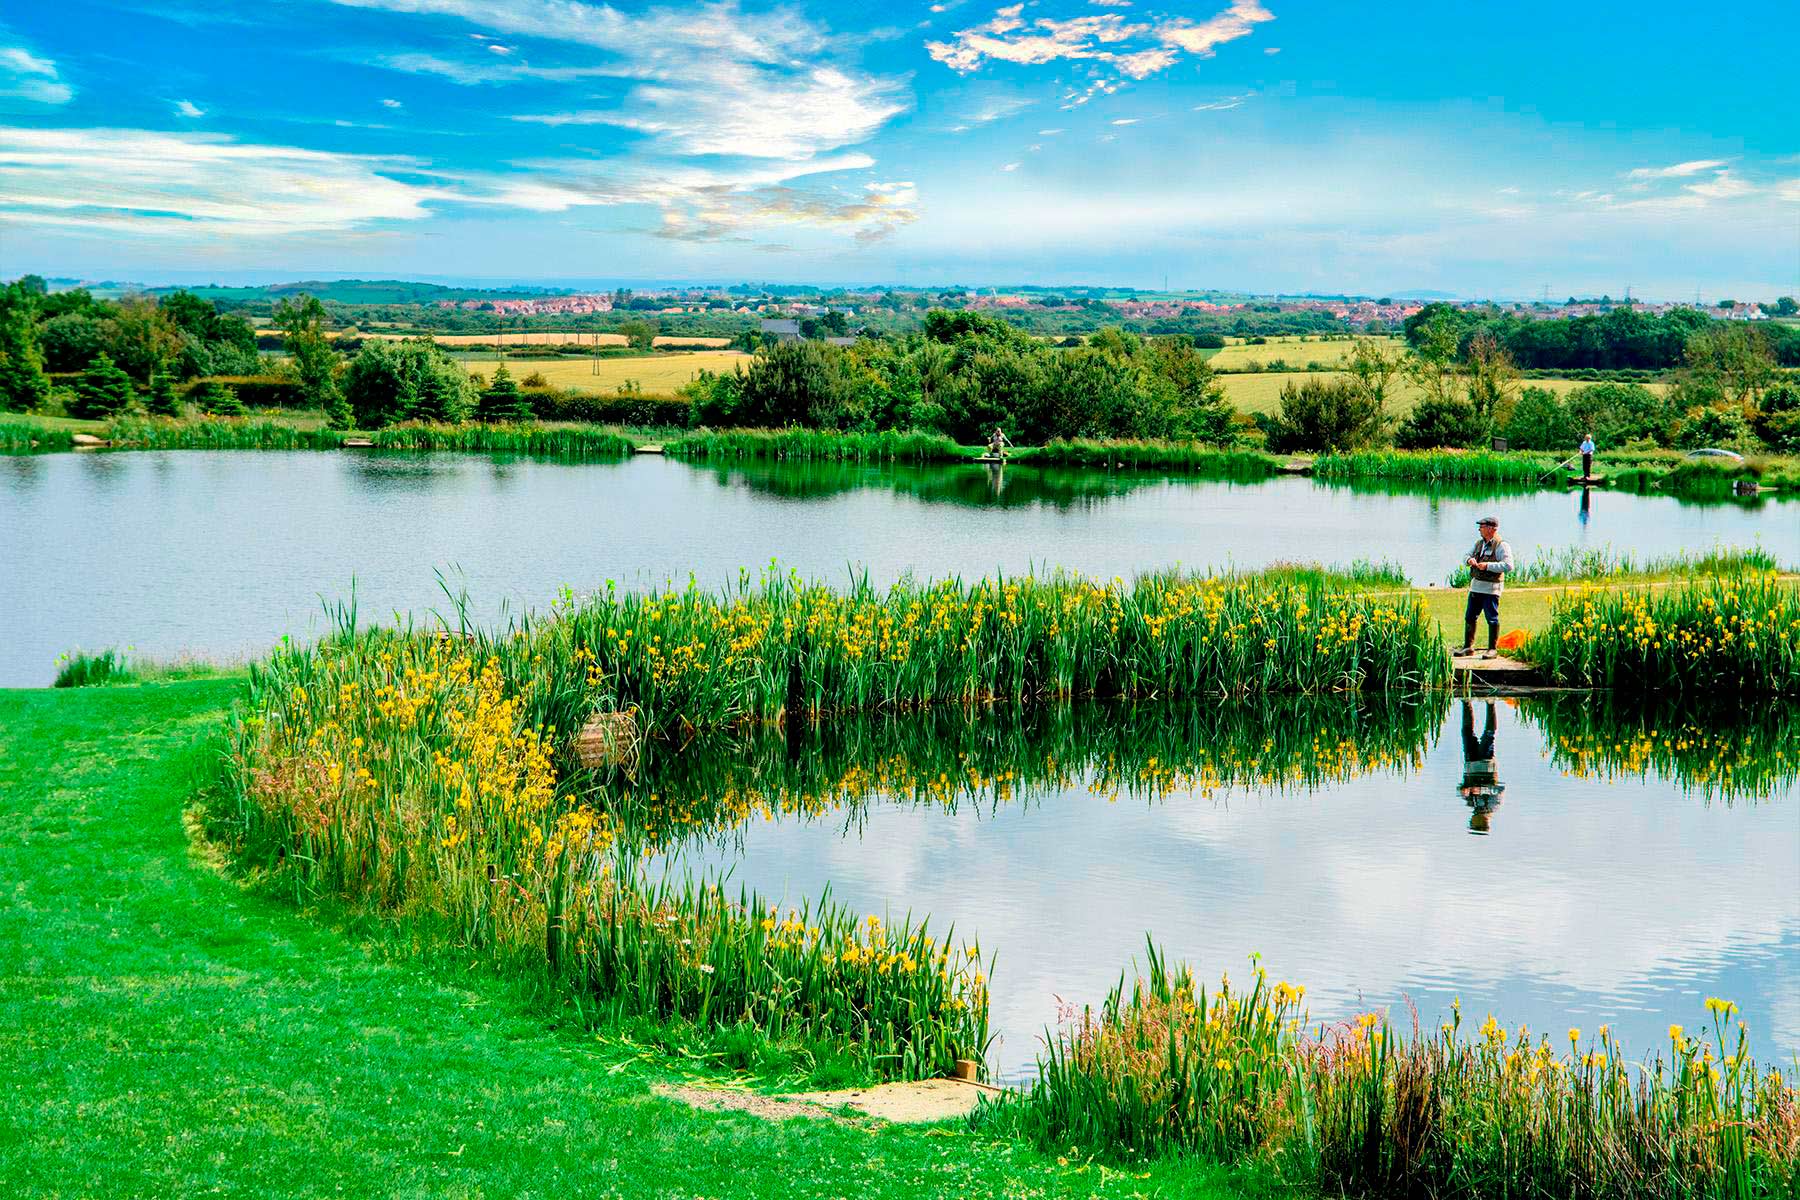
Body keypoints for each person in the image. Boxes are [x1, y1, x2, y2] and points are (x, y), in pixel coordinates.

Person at [1458, 515, 1513, 656]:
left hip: (1491, 589)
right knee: (1470, 617)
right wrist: (1469, 560)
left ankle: (1492, 649)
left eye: (1482, 527)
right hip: (1476, 587)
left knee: (1492, 618)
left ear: (1491, 529)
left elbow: (1508, 566)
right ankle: (1468, 647)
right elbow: (1465, 555)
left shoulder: (1502, 545)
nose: (1479, 529)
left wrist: (1487, 566)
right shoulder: (1478, 544)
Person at [1457, 700, 1504, 833]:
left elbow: (1459, 791)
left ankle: (1466, 702)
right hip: (1485, 764)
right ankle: (1490, 704)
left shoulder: (1471, 804)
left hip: (1470, 764)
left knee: (1466, 732)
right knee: (1489, 735)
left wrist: (1462, 791)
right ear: (1482, 822)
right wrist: (1480, 789)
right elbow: (1500, 789)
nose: (1471, 820)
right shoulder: (1493, 805)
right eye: (1473, 823)